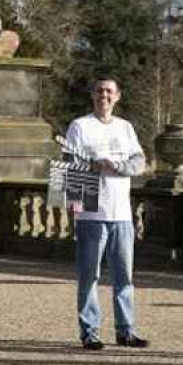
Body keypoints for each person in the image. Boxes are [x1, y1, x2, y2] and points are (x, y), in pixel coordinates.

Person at [65, 78, 148, 350]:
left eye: (109, 91)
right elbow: (68, 166)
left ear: (118, 96)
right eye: (100, 91)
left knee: (125, 277)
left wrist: (118, 166)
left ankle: (125, 331)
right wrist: (72, 208)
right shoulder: (80, 126)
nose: (104, 95)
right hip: (91, 213)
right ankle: (90, 332)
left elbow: (140, 162)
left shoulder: (126, 127)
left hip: (122, 214)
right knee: (89, 275)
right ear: (92, 95)